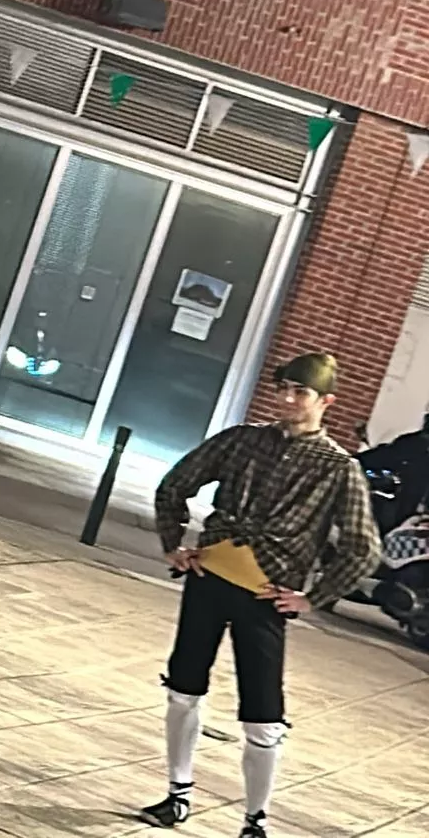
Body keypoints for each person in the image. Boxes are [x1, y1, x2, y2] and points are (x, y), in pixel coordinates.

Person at [141, 353, 381, 838]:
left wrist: (313, 597)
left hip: (265, 597)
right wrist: (173, 544)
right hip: (209, 580)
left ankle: (256, 821)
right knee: (183, 688)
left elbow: (363, 548)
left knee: (263, 712)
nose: (288, 399)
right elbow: (174, 486)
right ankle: (177, 794)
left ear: (326, 402)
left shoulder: (340, 469)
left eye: (300, 392)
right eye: (283, 389)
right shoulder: (242, 440)